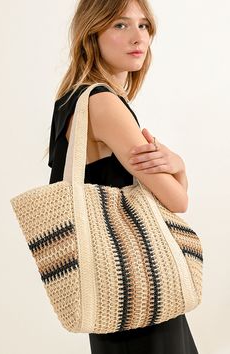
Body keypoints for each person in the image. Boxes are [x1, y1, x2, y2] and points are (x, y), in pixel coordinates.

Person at [47, 0, 199, 353]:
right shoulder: (102, 103)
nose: (137, 37)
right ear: (92, 33)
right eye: (120, 25)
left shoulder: (69, 102)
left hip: (113, 287)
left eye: (143, 26)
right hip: (141, 291)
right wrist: (178, 166)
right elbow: (178, 201)